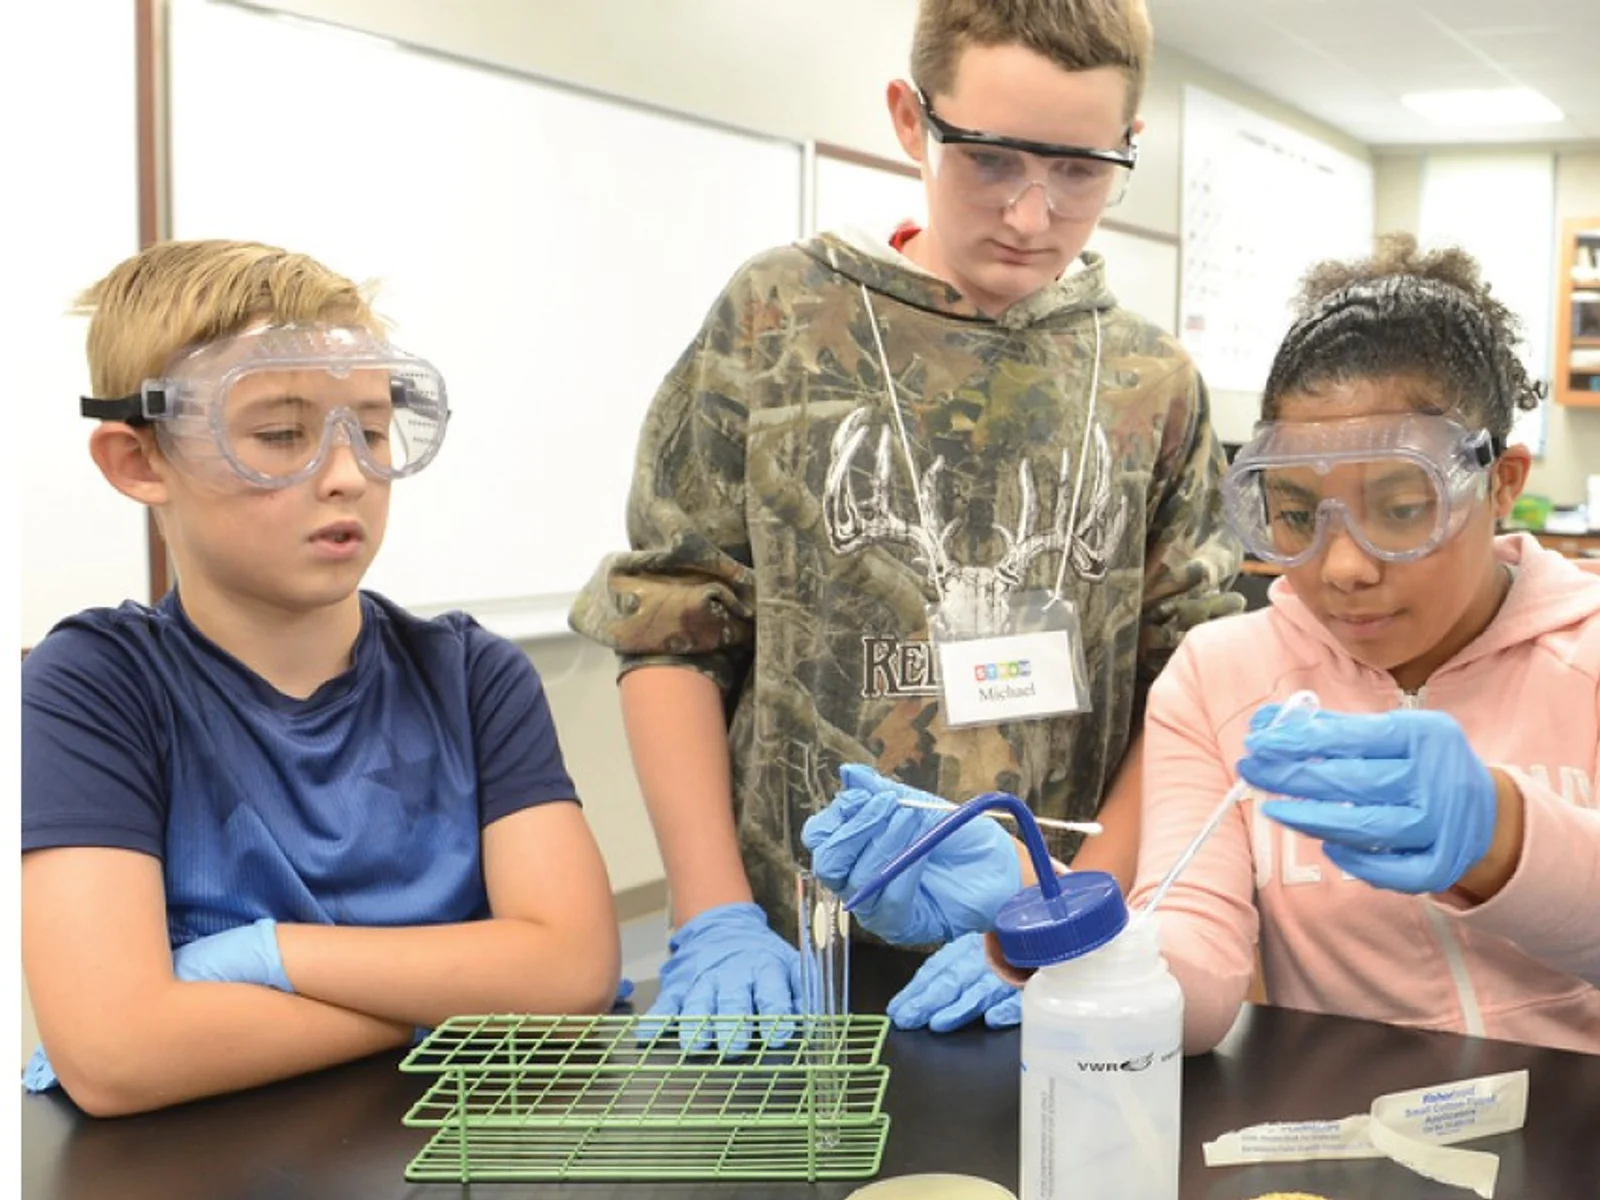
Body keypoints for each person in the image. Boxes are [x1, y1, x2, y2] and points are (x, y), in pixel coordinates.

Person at [569, 0, 1242, 1045]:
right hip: (793, 953)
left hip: (1041, 960)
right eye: (990, 159)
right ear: (908, 117)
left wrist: (1060, 928)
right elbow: (671, 628)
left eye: (1078, 170)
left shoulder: (1152, 381)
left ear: (1128, 148)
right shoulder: (781, 316)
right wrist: (710, 911)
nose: (1030, 213)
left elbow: (1189, 688)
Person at [809, 234, 1600, 1055]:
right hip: (1347, 1144)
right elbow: (1195, 974)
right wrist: (1038, 922)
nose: (1343, 567)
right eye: (1297, 513)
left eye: (1401, 507)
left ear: (1501, 483)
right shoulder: (1222, 675)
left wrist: (1502, 834)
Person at [21, 239, 621, 1116]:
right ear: (141, 461)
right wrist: (462, 1000)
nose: (346, 475)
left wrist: (266, 958)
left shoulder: (471, 676)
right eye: (278, 435)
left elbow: (571, 971)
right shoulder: (96, 688)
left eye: (371, 431)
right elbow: (116, 1053)